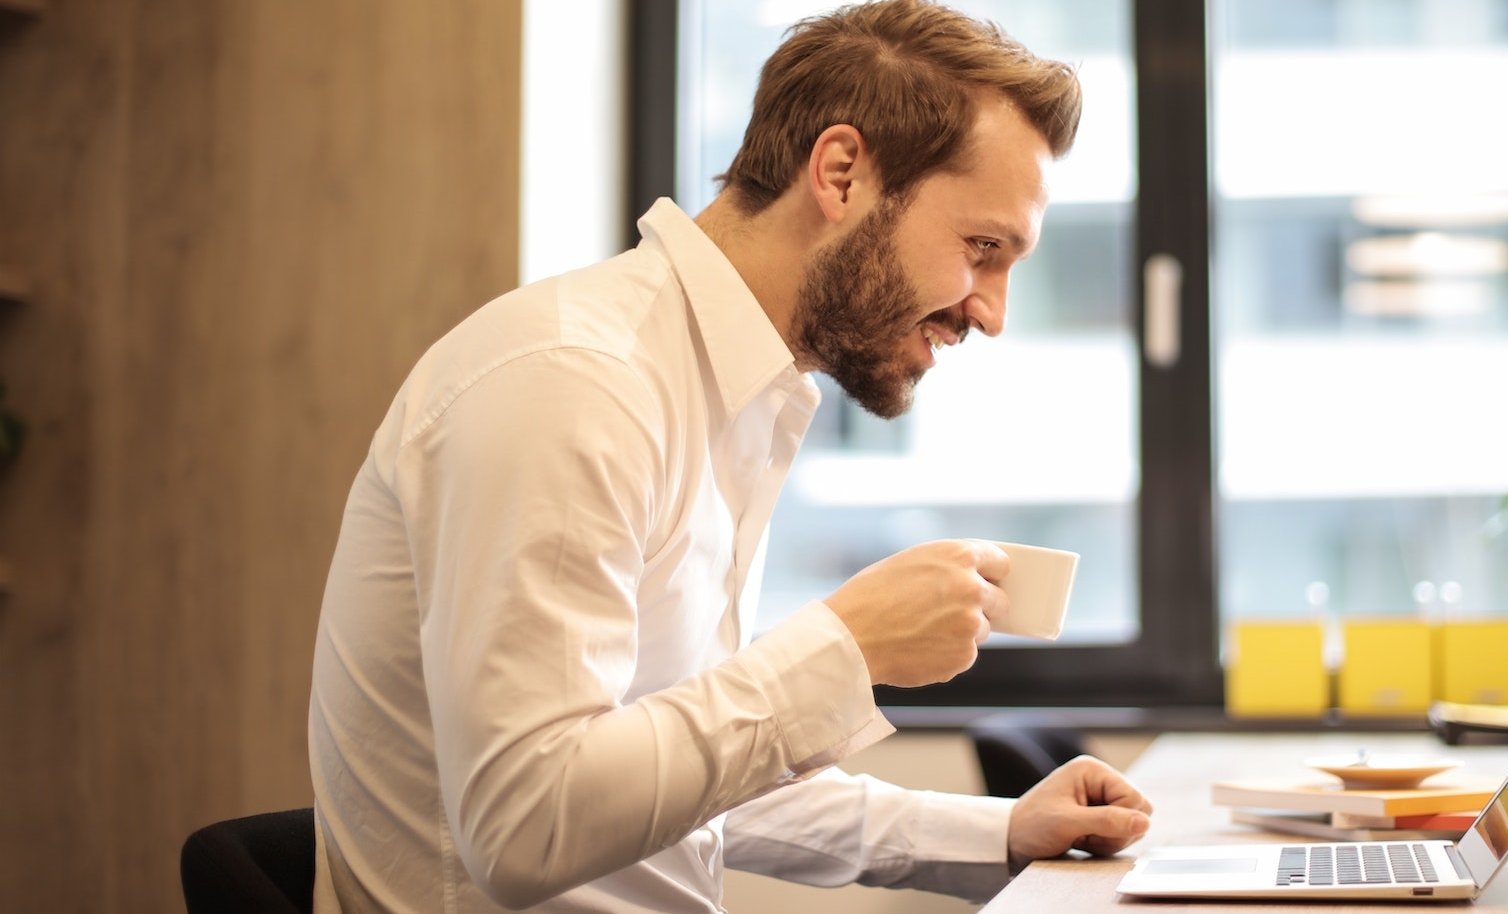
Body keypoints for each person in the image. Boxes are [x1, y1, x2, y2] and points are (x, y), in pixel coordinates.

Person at [306, 1, 1153, 911]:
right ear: (840, 174)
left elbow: (678, 784)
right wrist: (846, 646)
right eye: (982, 248)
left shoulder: (734, 395)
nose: (993, 311)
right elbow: (528, 824)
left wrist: (999, 833)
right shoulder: (575, 382)